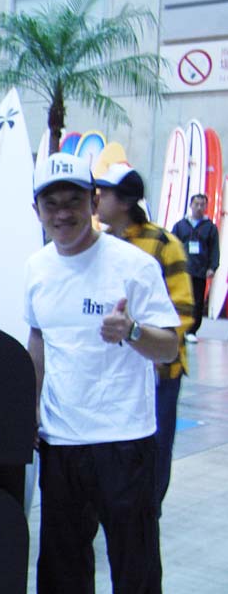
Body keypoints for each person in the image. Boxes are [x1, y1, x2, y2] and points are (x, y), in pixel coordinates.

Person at [20, 153, 179, 594]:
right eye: (51, 203)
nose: (63, 213)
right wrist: (29, 411)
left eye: (73, 201)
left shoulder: (133, 265)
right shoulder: (37, 267)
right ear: (38, 210)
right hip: (61, 436)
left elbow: (170, 346)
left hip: (124, 435)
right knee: (61, 553)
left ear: (93, 201)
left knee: (134, 558)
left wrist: (131, 330)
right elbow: (40, 340)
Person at [96, 163, 193, 508]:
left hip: (159, 372)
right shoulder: (100, 244)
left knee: (155, 448)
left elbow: (183, 312)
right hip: (116, 369)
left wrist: (152, 346)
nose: (96, 199)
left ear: (125, 201)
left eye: (104, 193)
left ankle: (148, 512)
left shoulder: (164, 244)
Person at [172, 193, 220, 342]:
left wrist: (212, 267)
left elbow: (214, 249)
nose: (199, 207)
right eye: (196, 204)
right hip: (182, 271)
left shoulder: (210, 228)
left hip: (200, 271)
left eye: (202, 205)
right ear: (190, 205)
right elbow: (172, 245)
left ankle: (191, 331)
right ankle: (177, 328)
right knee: (179, 299)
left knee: (197, 302)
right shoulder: (180, 225)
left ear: (206, 207)